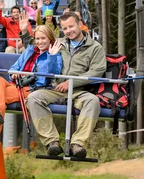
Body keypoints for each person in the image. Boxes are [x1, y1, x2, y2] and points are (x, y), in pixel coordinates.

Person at [0, 11, 63, 151]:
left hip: (32, 89)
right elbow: (16, 66)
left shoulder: (55, 55)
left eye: (43, 38)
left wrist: (51, 56)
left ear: (50, 39)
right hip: (16, 84)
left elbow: (51, 74)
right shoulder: (29, 51)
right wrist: (14, 73)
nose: (40, 42)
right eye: (37, 39)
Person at [26, 12, 106, 159]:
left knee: (93, 101)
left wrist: (72, 82)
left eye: (71, 26)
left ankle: (78, 143)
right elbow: (40, 58)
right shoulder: (58, 44)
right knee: (33, 98)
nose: (69, 31)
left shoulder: (94, 47)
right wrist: (50, 55)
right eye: (65, 28)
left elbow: (97, 71)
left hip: (79, 91)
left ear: (79, 24)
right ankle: (52, 142)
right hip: (56, 89)